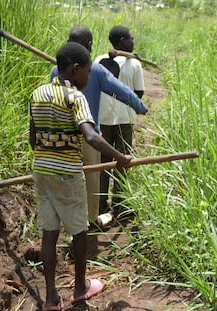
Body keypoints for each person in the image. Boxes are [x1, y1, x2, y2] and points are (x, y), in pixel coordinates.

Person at [32, 41, 133, 310]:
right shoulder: (76, 98)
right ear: (76, 70)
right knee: (79, 232)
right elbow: (90, 136)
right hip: (67, 173)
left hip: (41, 171)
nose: (88, 77)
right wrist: (120, 158)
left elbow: (33, 138)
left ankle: (51, 298)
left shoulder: (38, 93)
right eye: (87, 72)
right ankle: (80, 288)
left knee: (49, 233)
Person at [50, 25, 147, 228]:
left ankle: (65, 218)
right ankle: (90, 220)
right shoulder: (94, 69)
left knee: (66, 179)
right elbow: (122, 91)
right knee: (91, 182)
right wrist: (140, 107)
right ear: (90, 45)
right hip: (88, 137)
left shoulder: (55, 70)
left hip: (61, 137)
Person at [94, 26, 145, 218]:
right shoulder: (134, 65)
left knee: (102, 161)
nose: (133, 41)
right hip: (124, 119)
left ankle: (99, 204)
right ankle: (120, 204)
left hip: (103, 117)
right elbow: (139, 93)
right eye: (131, 38)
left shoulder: (98, 60)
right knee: (123, 159)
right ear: (122, 41)